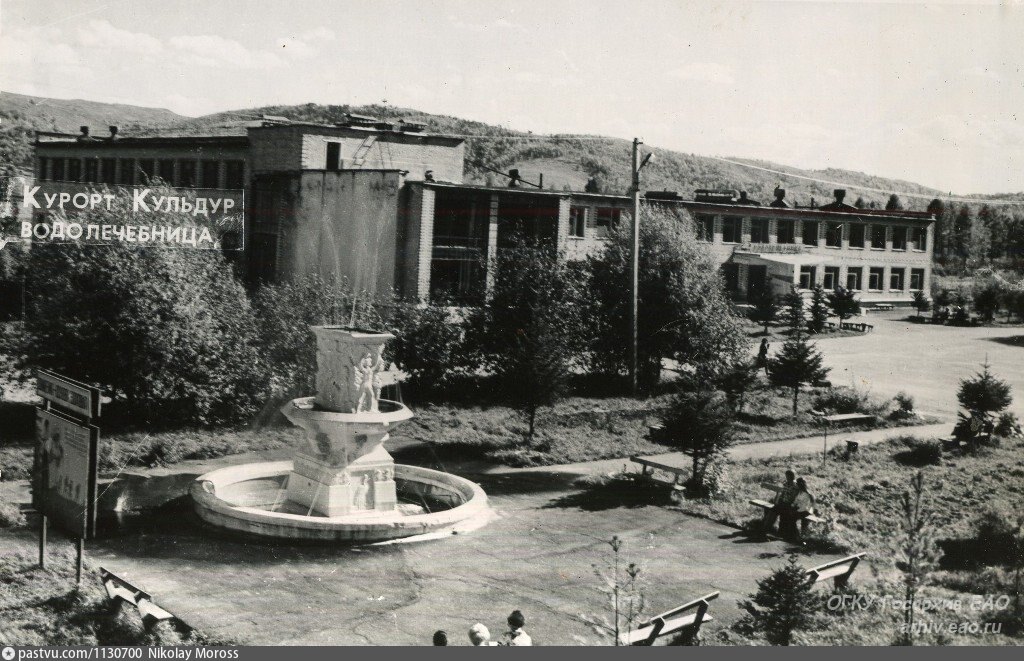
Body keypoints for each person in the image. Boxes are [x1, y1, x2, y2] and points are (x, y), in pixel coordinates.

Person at [763, 469, 799, 536]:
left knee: (782, 513)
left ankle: (779, 532)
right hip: (784, 504)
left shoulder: (795, 486)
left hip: (790, 505)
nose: (787, 477)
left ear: (792, 476)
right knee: (773, 510)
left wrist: (785, 503)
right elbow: (782, 494)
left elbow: (793, 498)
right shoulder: (786, 484)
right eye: (787, 476)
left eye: (788, 476)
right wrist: (779, 501)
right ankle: (766, 529)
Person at [790, 477, 816, 541]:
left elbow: (805, 507)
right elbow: (796, 501)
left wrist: (795, 510)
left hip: (805, 511)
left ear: (800, 485)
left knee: (792, 517)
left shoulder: (807, 494)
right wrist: (792, 505)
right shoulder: (800, 492)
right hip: (800, 510)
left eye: (797, 484)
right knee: (789, 515)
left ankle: (797, 536)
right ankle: (795, 535)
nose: (796, 485)